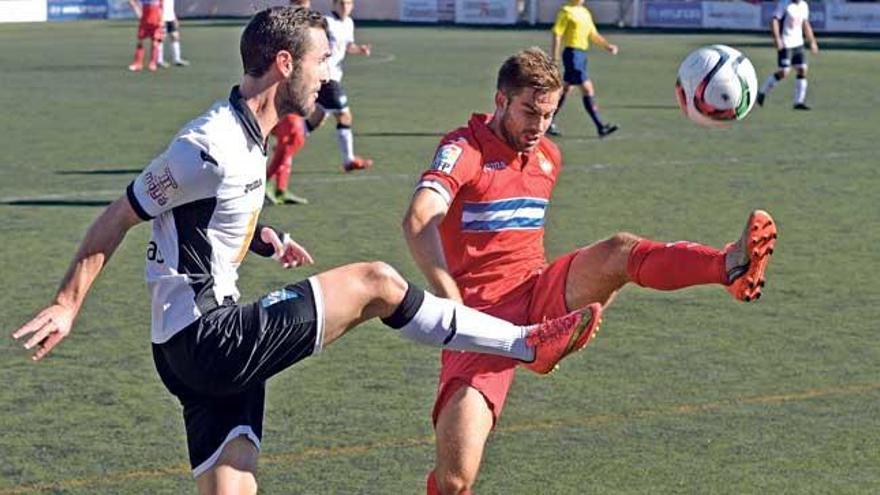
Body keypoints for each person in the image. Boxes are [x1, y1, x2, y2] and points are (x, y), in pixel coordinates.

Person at [11, 9, 602, 494]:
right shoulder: (208, 144)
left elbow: (203, 213)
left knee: (234, 488)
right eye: (322, 60)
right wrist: (67, 303)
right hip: (208, 339)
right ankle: (525, 343)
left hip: (194, 350)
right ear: (285, 62)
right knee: (375, 281)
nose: (329, 73)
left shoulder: (246, 138)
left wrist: (266, 237)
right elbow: (123, 213)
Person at [402, 47, 778, 494]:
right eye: (529, 112)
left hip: (539, 295)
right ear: (500, 100)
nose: (539, 127)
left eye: (549, 114)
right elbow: (419, 219)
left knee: (620, 251)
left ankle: (729, 267)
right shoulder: (464, 149)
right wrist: (449, 295)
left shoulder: (548, 158)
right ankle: (537, 348)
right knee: (455, 481)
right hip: (478, 323)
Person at [306, 0, 374, 172]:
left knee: (317, 119)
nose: (345, 6)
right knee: (345, 116)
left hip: (334, 76)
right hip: (327, 78)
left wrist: (360, 49)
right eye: (342, 3)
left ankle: (287, 144)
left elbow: (347, 46)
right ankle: (348, 160)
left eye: (349, 3)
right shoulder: (327, 22)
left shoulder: (349, 23)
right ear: (334, 4)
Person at [265, 0, 313, 206]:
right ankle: (265, 182)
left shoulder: (304, 28)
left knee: (291, 138)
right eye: (301, 4)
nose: (306, 8)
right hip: (280, 90)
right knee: (294, 135)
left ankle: (281, 188)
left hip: (295, 91)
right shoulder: (283, 28)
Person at [548, 0, 619, 138]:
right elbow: (557, 34)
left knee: (566, 89)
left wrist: (607, 46)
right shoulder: (566, 11)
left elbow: (593, 34)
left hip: (582, 54)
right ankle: (600, 126)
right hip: (572, 53)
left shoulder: (585, 12)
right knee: (587, 88)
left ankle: (548, 121)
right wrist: (554, 57)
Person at [757, 0, 819, 110]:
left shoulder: (804, 5)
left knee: (802, 69)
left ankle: (798, 102)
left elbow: (805, 24)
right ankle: (762, 92)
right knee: (784, 72)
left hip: (798, 43)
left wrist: (812, 42)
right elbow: (774, 20)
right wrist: (777, 38)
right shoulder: (784, 3)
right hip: (786, 43)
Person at [127, 0, 164, 72]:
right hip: (144, 20)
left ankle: (153, 63)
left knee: (155, 41)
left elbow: (162, 7)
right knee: (140, 41)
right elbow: (131, 1)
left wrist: (161, 20)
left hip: (156, 20)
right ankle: (138, 63)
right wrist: (137, 10)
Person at [156, 0, 190, 68]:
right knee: (161, 38)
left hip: (170, 18)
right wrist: (159, 18)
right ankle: (159, 60)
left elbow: (170, 7)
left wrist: (174, 18)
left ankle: (177, 59)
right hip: (162, 18)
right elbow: (158, 5)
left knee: (175, 37)